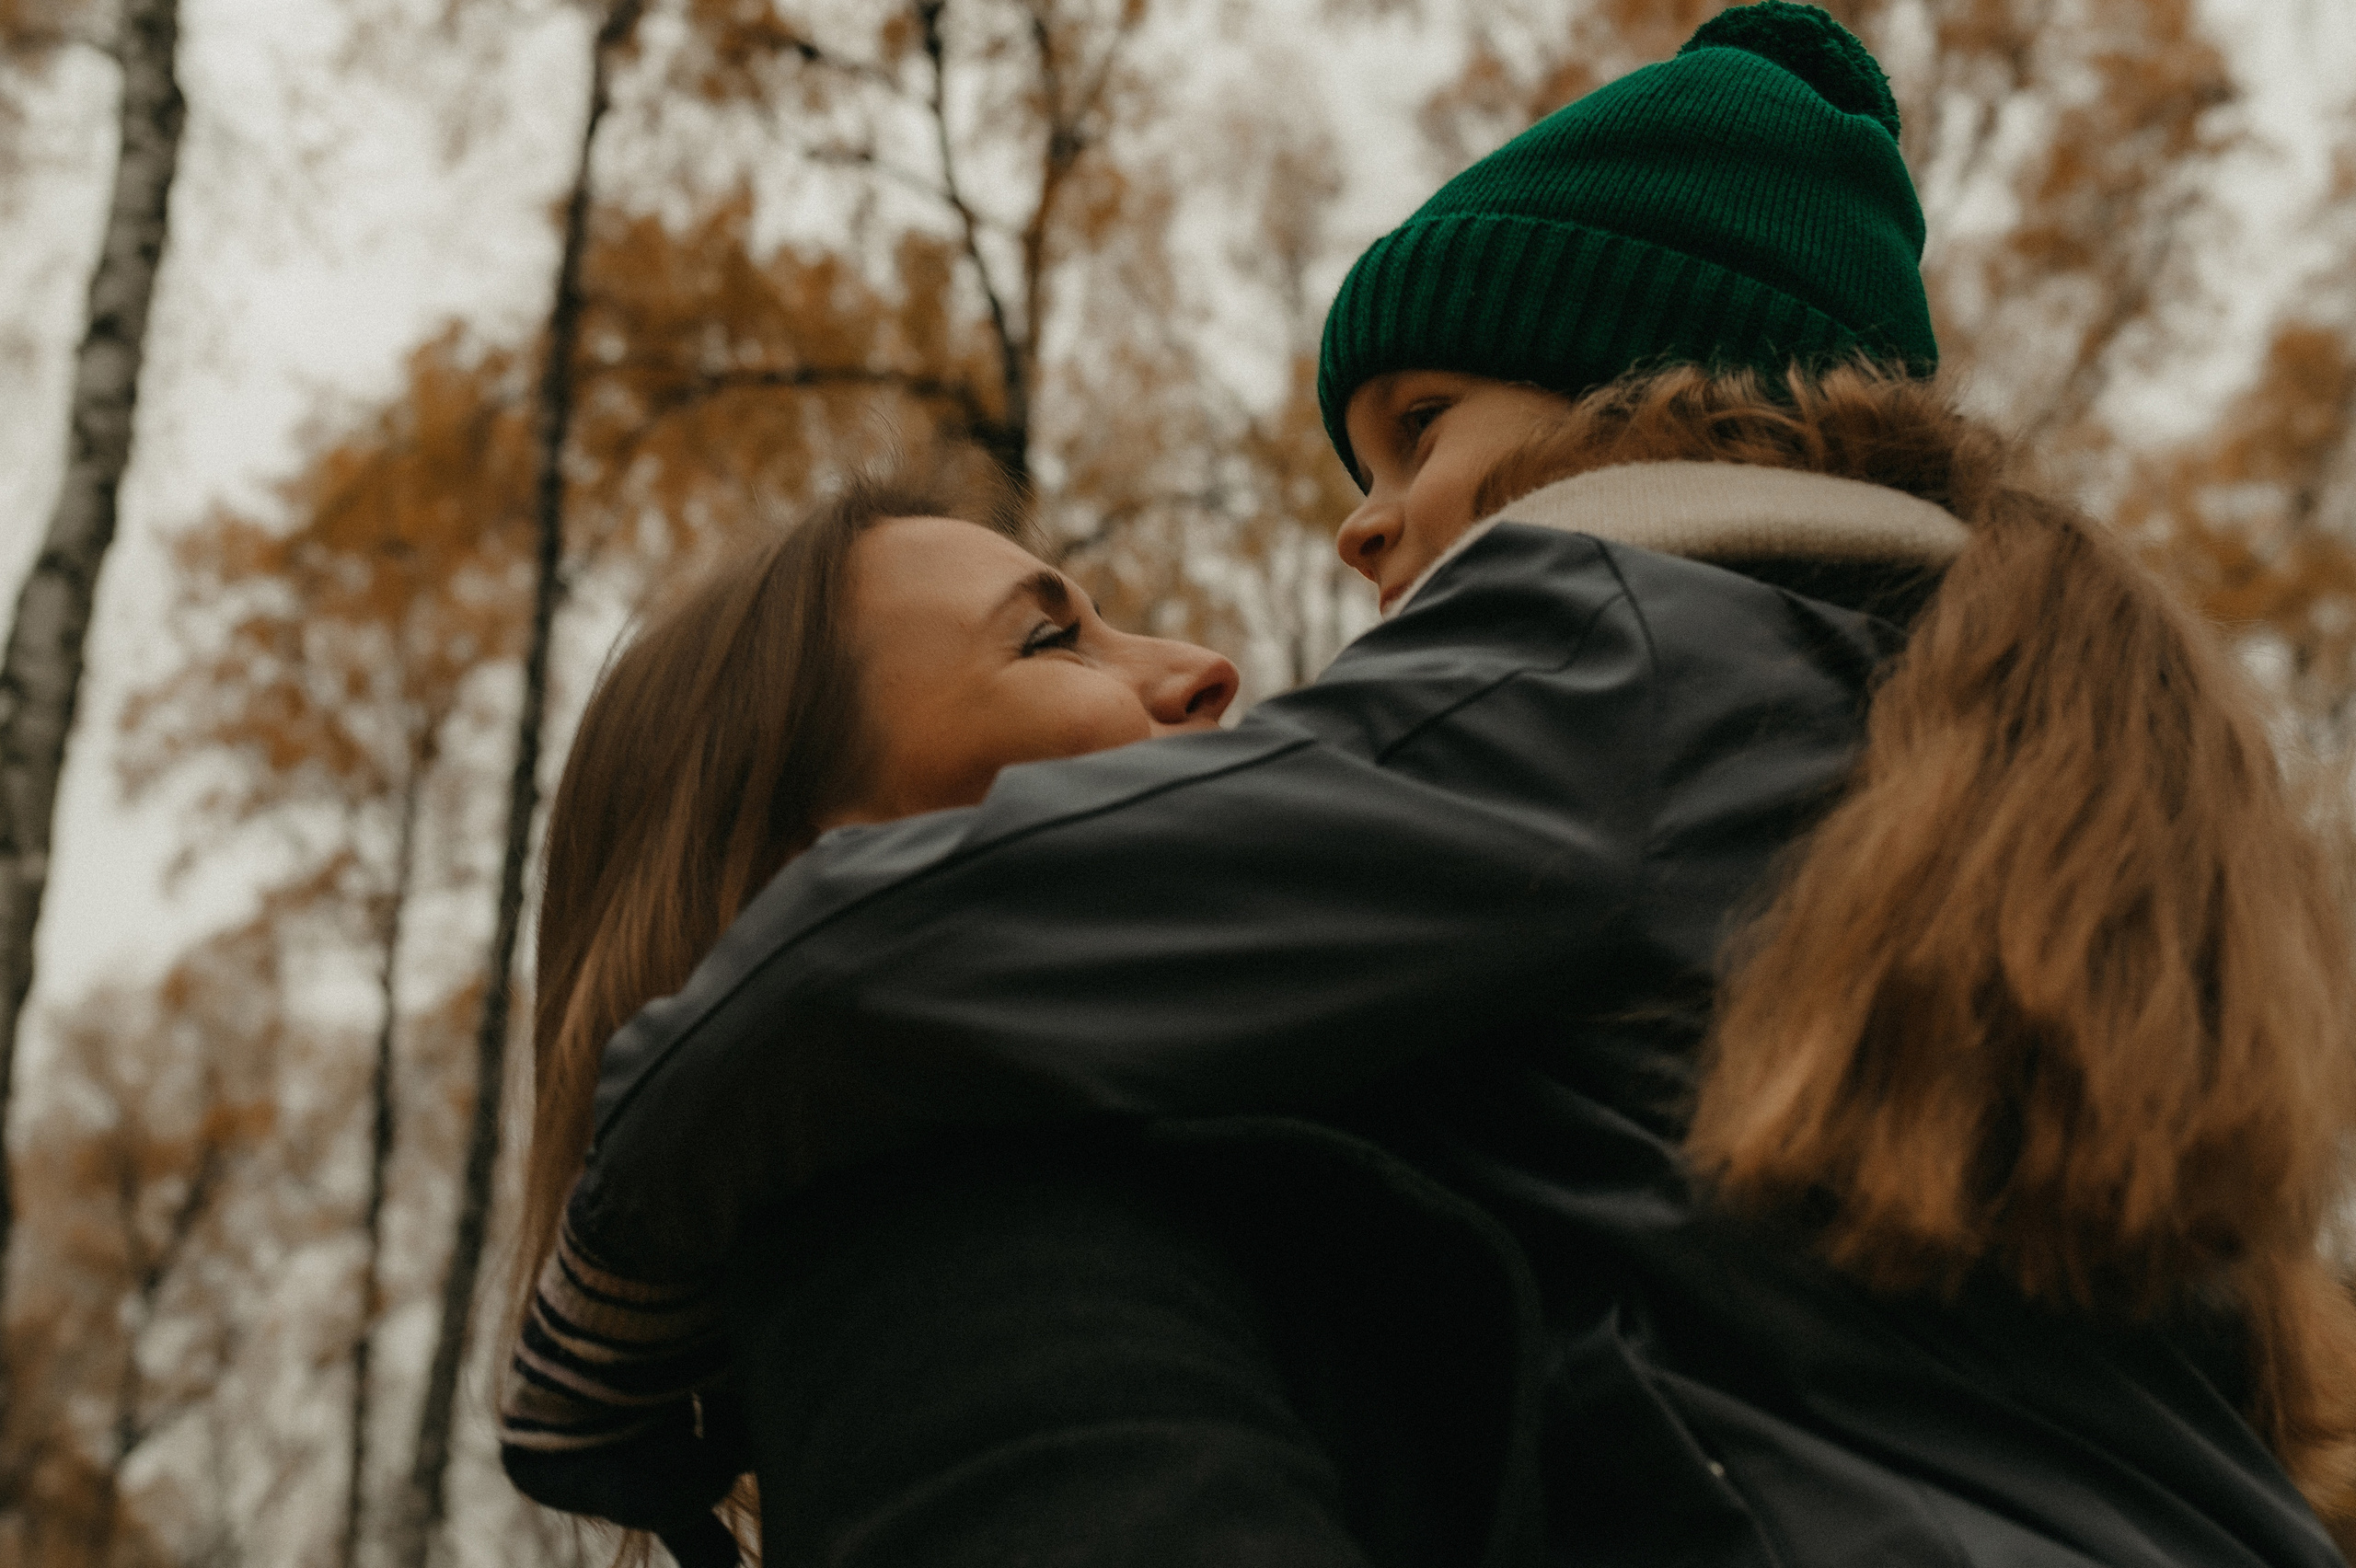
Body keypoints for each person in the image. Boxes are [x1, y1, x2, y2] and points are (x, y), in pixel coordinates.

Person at [554, 4, 2356, 1563]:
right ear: (807, 838)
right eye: (1050, 645)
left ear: (1640, 407)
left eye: (1420, 425)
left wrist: (619, 1278)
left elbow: (879, 960)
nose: (1339, 541)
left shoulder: (1614, 651)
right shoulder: (1932, 728)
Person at [499, 467, 1544, 1567]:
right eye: (1050, 644)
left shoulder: (1276, 1191)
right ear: (805, 887)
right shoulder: (939, 1261)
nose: (1205, 672)